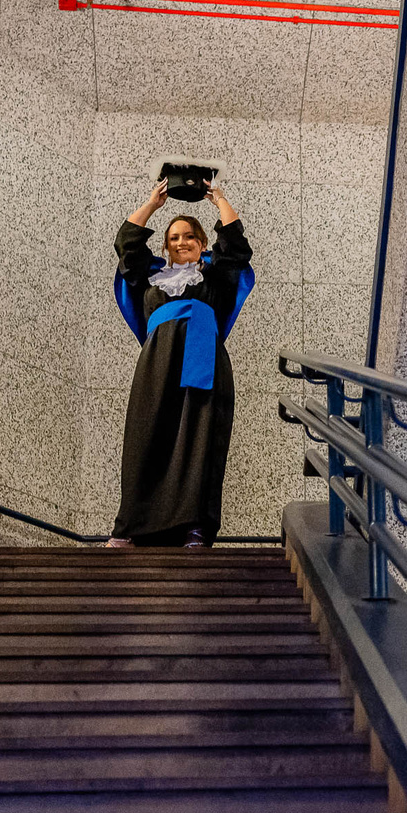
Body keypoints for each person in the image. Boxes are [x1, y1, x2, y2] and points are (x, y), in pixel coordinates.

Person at [108, 178, 254, 548]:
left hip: (204, 360)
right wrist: (151, 204)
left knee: (198, 439)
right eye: (173, 238)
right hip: (157, 361)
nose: (181, 242)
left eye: (189, 236)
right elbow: (126, 244)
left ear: (202, 243)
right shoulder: (151, 277)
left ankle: (195, 528)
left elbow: (236, 248)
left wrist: (219, 199)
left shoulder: (214, 276)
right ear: (166, 246)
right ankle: (130, 527)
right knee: (145, 437)